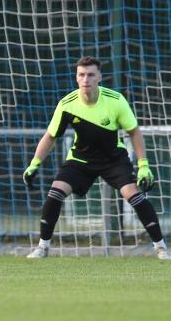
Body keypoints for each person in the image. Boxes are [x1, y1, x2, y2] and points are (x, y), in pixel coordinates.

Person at [23, 56, 168, 259]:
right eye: (81, 75)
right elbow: (50, 136)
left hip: (114, 160)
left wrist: (144, 165)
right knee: (55, 192)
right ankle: (42, 247)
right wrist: (34, 164)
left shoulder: (116, 101)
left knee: (134, 195)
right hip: (80, 160)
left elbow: (134, 132)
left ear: (99, 77)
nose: (86, 79)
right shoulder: (66, 104)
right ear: (76, 78)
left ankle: (161, 248)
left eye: (91, 74)